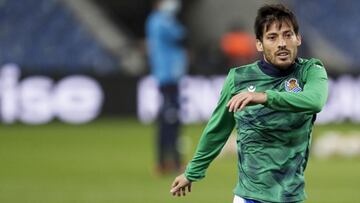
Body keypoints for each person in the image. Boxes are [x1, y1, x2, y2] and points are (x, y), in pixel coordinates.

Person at [170, 3, 328, 203]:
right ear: (259, 44)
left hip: (290, 196)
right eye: (272, 37)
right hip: (249, 197)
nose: (282, 43)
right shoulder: (239, 78)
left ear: (298, 39)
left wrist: (264, 97)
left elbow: (315, 101)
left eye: (288, 35)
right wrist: (192, 172)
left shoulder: (310, 71)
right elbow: (218, 128)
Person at [145, 0, 187, 174]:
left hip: (169, 76)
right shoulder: (161, 20)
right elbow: (181, 34)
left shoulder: (158, 20)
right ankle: (172, 162)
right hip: (168, 76)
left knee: (168, 118)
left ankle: (164, 162)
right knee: (171, 119)